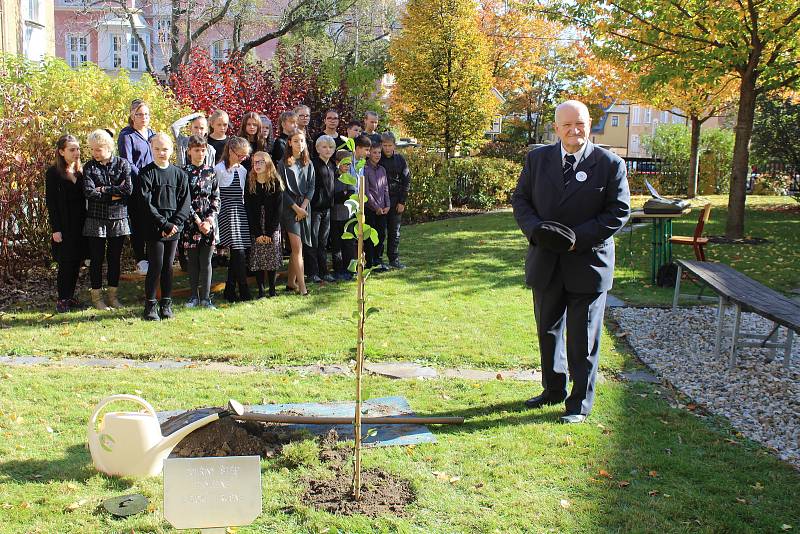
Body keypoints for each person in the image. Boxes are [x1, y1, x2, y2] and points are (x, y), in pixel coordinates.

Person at [511, 100, 630, 424]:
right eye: (567, 125)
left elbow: (618, 212)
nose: (574, 130)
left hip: (587, 265)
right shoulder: (538, 159)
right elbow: (521, 199)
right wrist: (537, 231)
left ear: (589, 123)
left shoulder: (609, 164)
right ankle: (553, 390)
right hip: (546, 261)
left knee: (582, 339)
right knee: (547, 332)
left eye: (579, 123)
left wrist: (576, 238)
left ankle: (579, 404)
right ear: (556, 127)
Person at [138, 134, 191, 321]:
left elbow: (185, 202)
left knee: (168, 266)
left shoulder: (179, 174)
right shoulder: (146, 174)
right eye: (157, 149)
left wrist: (175, 224)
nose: (161, 152)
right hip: (155, 228)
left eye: (165, 149)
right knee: (156, 265)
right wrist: (163, 223)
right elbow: (145, 203)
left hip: (173, 229)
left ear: (171, 150)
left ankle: (166, 305)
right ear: (151, 149)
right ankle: (150, 306)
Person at [82, 129, 132, 310]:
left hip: (118, 217)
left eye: (99, 149)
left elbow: (127, 190)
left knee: (114, 259)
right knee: (96, 259)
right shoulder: (89, 167)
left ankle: (113, 296)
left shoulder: (122, 164)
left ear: (108, 147)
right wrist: (112, 193)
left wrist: (103, 189)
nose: (95, 153)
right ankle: (97, 298)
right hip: (96, 219)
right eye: (93, 149)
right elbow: (89, 192)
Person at [46, 134, 87, 313]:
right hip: (64, 225)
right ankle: (62, 299)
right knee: (66, 263)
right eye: (72, 149)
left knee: (77, 261)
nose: (76, 152)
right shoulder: (53, 173)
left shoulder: (81, 171)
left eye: (77, 149)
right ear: (61, 152)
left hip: (81, 225)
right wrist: (56, 229)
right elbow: (51, 203)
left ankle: (70, 296)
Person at [181, 135, 220, 309]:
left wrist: (209, 220)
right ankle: (193, 297)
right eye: (196, 150)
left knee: (206, 262)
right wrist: (197, 221)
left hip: (208, 223)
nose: (200, 153)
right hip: (191, 224)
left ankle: (205, 298)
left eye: (203, 150)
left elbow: (216, 198)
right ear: (189, 151)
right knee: (193, 262)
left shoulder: (211, 171)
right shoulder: (183, 172)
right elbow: (183, 199)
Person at [118, 99, 154, 274]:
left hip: (153, 185)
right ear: (132, 115)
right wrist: (143, 176)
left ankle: (152, 255)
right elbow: (127, 161)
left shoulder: (152, 134)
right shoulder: (127, 135)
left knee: (152, 220)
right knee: (138, 223)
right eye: (140, 114)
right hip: (136, 184)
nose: (144, 117)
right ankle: (141, 259)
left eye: (146, 114)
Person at [277, 130, 315, 296]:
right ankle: (303, 287)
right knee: (297, 247)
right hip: (290, 209)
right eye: (296, 141)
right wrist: (296, 208)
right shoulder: (282, 164)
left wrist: (304, 207)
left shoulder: (308, 163)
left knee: (297, 248)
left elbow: (312, 187)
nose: (300, 144)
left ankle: (291, 282)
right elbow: (282, 190)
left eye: (302, 141)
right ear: (290, 143)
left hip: (304, 209)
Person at [215, 136, 252, 302]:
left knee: (238, 253)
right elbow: (214, 195)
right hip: (225, 213)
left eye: (245, 156)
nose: (242, 159)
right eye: (240, 155)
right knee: (238, 252)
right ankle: (243, 289)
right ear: (231, 151)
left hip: (240, 212)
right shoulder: (219, 170)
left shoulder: (243, 171)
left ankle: (230, 289)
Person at [245, 152, 284, 298]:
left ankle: (272, 289)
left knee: (271, 257)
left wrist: (269, 233)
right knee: (258, 257)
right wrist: (257, 233)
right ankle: (261, 290)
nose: (258, 165)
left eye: (261, 162)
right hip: (256, 226)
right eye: (255, 162)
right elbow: (249, 209)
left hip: (271, 226)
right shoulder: (250, 183)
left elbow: (278, 210)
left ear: (268, 164)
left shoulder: (275, 183)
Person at [307, 135, 337, 283]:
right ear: (318, 148)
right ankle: (313, 273)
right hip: (314, 209)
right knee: (313, 241)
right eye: (324, 147)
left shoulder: (332, 165)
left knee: (323, 242)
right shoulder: (313, 164)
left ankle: (324, 271)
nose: (327, 150)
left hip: (327, 209)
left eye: (331, 147)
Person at [379, 132, 411, 269]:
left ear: (394, 146)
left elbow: (406, 180)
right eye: (384, 145)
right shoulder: (377, 159)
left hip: (396, 199)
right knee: (380, 232)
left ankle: (394, 258)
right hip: (380, 200)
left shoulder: (400, 159)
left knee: (394, 231)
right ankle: (378, 260)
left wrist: (402, 201)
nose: (387, 148)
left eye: (389, 145)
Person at [330, 149, 356, 281]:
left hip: (348, 216)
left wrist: (344, 195)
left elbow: (351, 195)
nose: (347, 166)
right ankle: (338, 270)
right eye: (345, 163)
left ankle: (350, 269)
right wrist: (342, 195)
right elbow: (333, 197)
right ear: (337, 162)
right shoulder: (332, 177)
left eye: (349, 164)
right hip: (334, 216)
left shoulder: (350, 178)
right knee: (336, 245)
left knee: (349, 244)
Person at [364, 143, 390, 270]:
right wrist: (376, 208)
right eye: (374, 152)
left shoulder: (382, 169)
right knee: (370, 237)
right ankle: (369, 262)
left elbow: (385, 188)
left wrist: (387, 205)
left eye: (379, 153)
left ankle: (378, 260)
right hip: (370, 209)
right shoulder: (365, 169)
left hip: (383, 209)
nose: (377, 155)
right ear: (369, 153)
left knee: (381, 235)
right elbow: (366, 192)